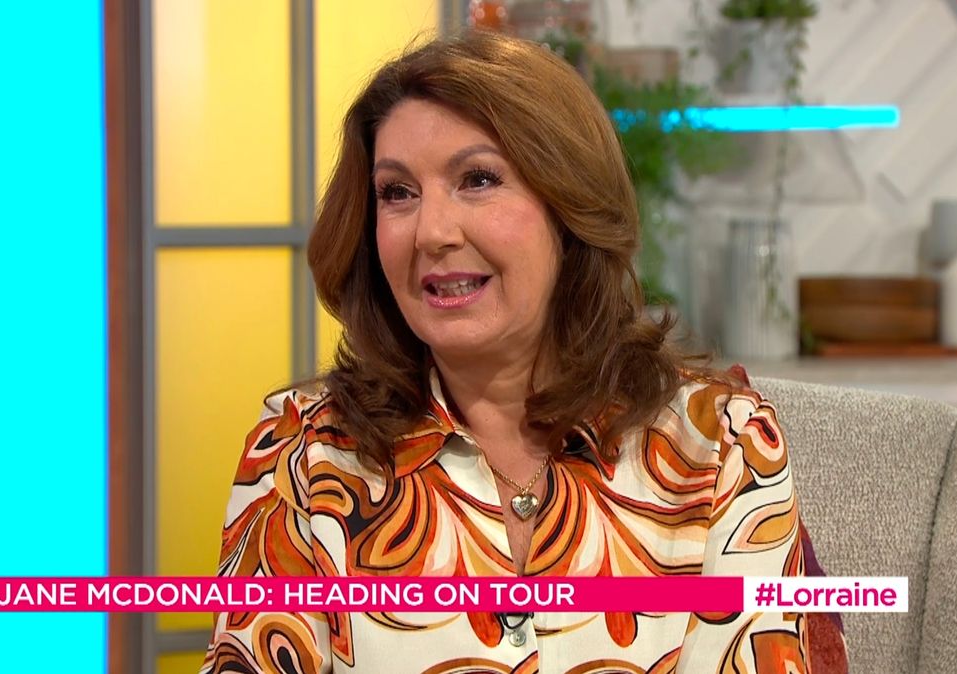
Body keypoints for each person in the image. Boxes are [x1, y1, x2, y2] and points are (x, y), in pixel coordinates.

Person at [200, 30, 818, 673]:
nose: (431, 233)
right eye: (397, 192)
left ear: (568, 206)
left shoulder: (720, 446)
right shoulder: (305, 453)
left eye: (478, 179)